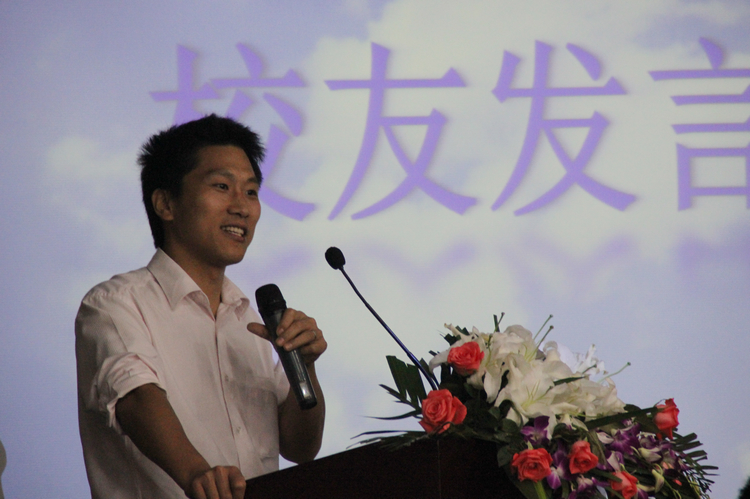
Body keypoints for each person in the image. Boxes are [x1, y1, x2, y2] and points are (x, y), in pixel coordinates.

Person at [75, 114, 326, 499]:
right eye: (222, 186)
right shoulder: (114, 305)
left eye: (251, 192)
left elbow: (299, 448)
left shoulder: (248, 320)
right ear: (166, 203)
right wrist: (197, 475)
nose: (242, 207)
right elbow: (136, 397)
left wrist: (305, 367)